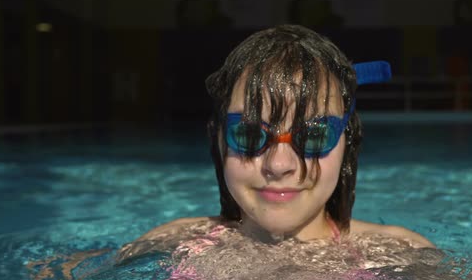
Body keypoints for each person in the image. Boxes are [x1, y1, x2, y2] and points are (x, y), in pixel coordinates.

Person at [118, 24, 433, 259]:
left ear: (345, 143)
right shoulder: (171, 244)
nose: (279, 164)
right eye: (250, 134)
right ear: (218, 140)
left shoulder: (401, 255)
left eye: (313, 136)